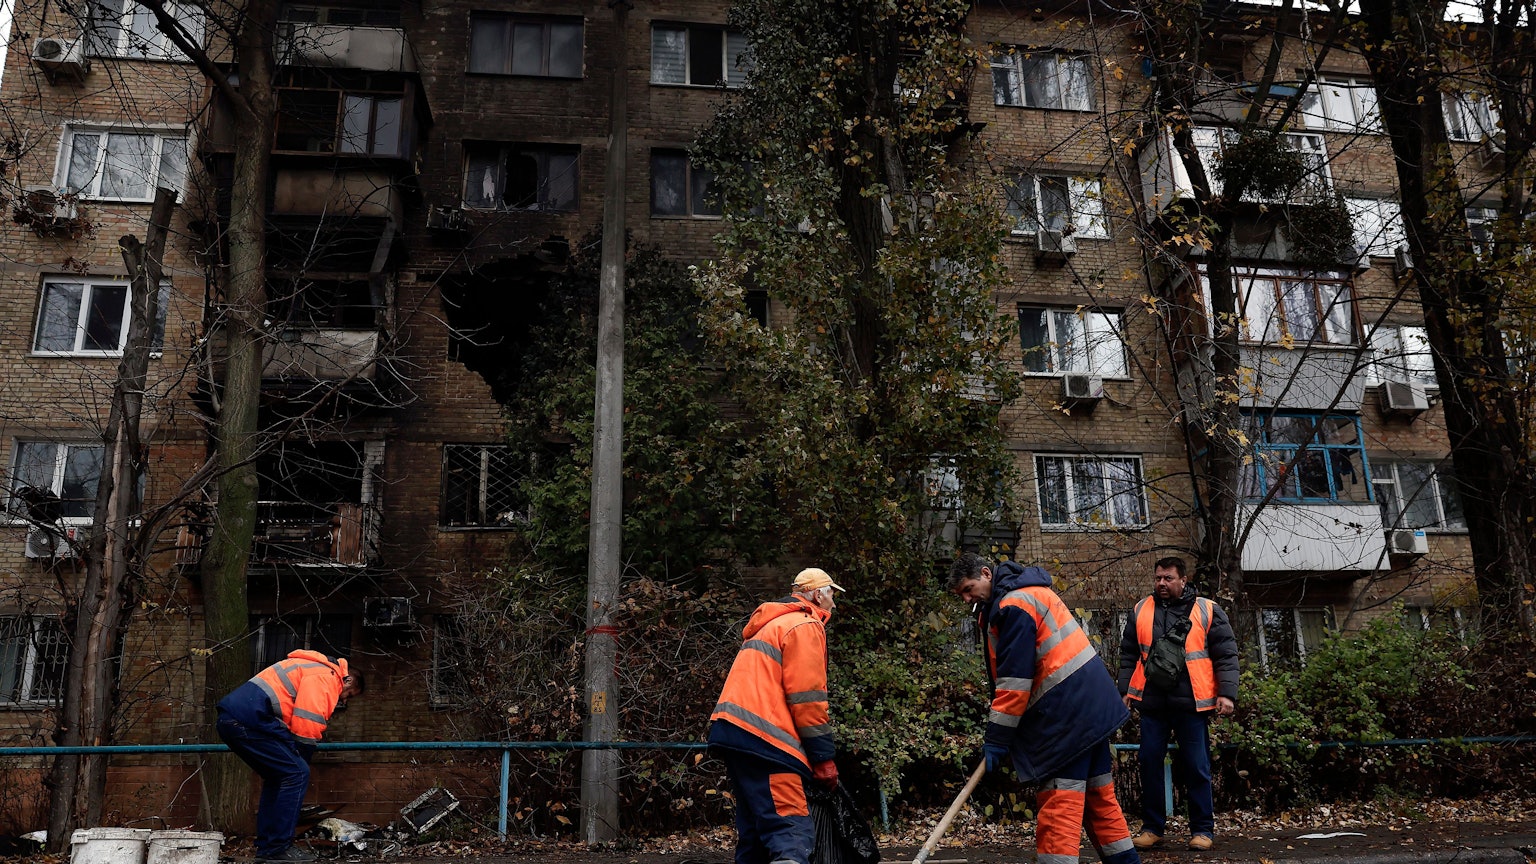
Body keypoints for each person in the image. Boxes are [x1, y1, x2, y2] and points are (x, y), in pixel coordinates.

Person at [948, 554, 1140, 864]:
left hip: (1065, 718)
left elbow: (1014, 683)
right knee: (1099, 801)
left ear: (986, 573)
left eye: (969, 589)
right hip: (1090, 711)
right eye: (962, 595)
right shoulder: (1030, 592)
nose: (968, 599)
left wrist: (997, 738)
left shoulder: (1012, 606)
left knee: (1059, 806)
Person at [708, 568, 842, 864]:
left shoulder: (770, 624)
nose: (834, 602)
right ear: (817, 595)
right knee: (789, 829)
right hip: (768, 739)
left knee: (755, 835)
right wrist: (823, 758)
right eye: (832, 594)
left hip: (734, 732)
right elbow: (808, 698)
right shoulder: (804, 625)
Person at [1116, 556, 1239, 852]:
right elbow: (1128, 654)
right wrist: (1124, 691)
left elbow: (1225, 653)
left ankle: (1202, 830)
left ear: (1183, 580)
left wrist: (1227, 693)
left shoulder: (1207, 609)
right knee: (1149, 764)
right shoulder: (1141, 609)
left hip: (1191, 703)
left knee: (1196, 766)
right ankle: (1152, 829)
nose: (1161, 583)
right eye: (1158, 578)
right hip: (1153, 702)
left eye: (1168, 578)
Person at [216, 650, 364, 862]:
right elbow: (307, 723)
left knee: (279, 777)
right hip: (250, 720)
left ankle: (268, 847)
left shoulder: (311, 668)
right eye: (348, 694)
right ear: (347, 680)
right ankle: (277, 847)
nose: (343, 700)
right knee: (296, 773)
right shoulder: (327, 677)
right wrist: (302, 757)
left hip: (238, 719)